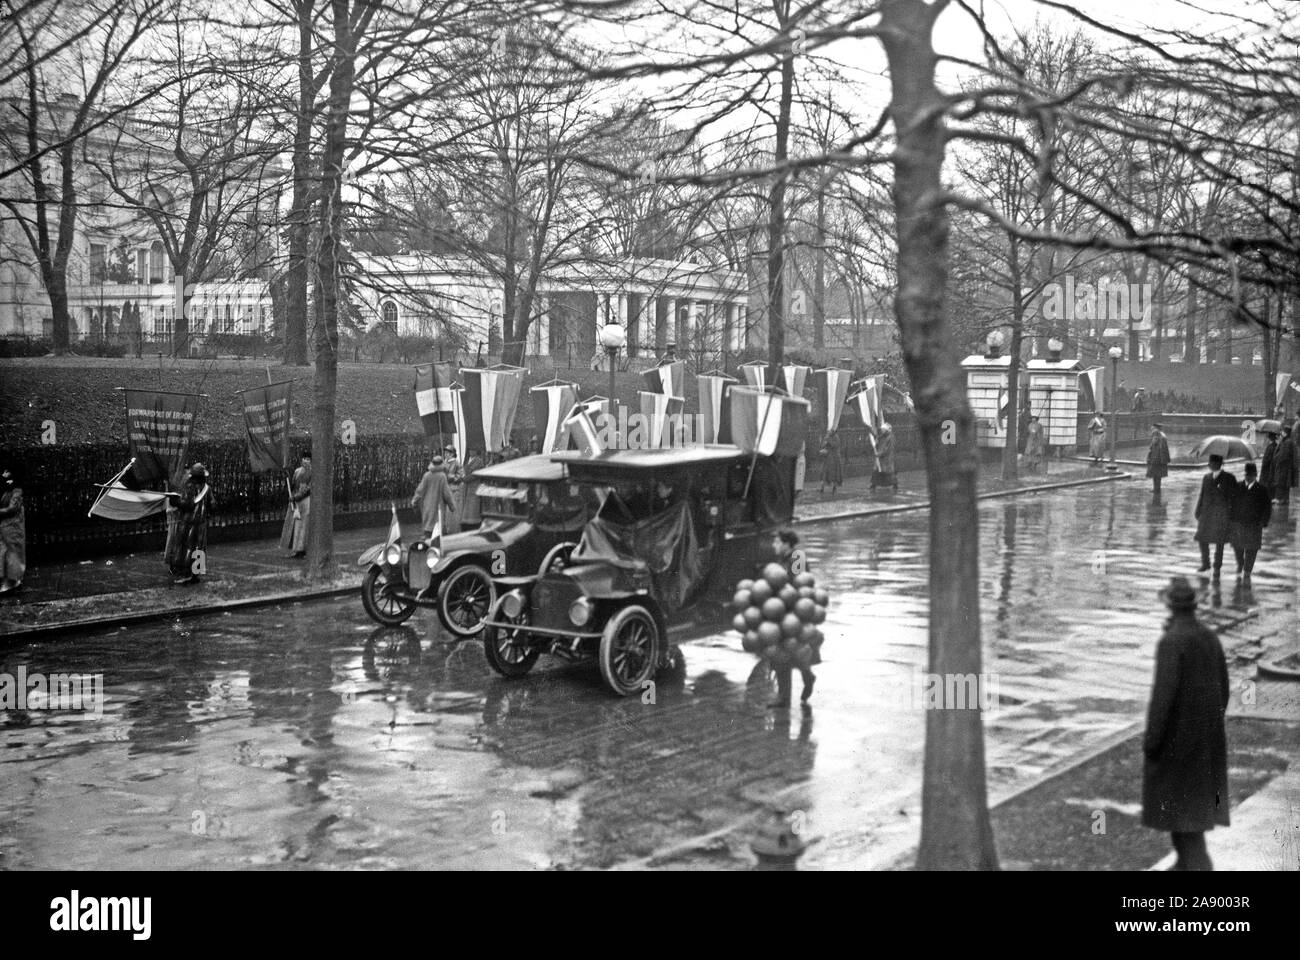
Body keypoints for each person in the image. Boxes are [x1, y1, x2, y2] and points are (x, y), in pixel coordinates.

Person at [1142, 576, 1229, 871]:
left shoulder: (1171, 642)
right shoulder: (1209, 636)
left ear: (1169, 606)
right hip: (1206, 744)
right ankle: (1184, 866)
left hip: (1178, 749)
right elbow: (1224, 690)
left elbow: (1161, 699)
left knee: (1184, 825)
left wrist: (1152, 742)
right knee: (1192, 823)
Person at [766, 529, 816, 710]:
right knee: (780, 654)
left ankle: (807, 676)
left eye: (777, 542)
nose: (774, 545)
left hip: (795, 612)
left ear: (787, 543)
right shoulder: (781, 559)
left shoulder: (797, 558)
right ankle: (784, 698)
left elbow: (797, 584)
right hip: (782, 610)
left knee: (794, 650)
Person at [169, 463, 212, 585]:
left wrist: (175, 502)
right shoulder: (207, 488)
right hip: (201, 523)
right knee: (199, 548)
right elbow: (212, 504)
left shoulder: (190, 487)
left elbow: (188, 505)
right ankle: (196, 575)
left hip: (188, 523)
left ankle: (186, 573)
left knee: (187, 547)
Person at [1193, 454, 1236, 577]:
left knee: (1219, 541)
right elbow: (1202, 495)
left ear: (1219, 464)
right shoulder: (1206, 477)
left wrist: (1230, 513)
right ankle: (1205, 563)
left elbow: (1233, 497)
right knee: (1202, 538)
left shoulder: (1229, 478)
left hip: (1220, 515)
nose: (1209, 465)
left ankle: (1217, 566)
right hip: (1206, 514)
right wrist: (1198, 510)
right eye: (1209, 462)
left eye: (1211, 463)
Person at [1230, 462, 1270, 582]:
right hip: (1239, 523)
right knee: (1238, 547)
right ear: (1245, 475)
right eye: (1247, 475)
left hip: (1254, 524)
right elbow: (1231, 504)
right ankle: (1241, 564)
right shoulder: (1237, 486)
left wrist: (1264, 521)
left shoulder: (1262, 489)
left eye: (1252, 475)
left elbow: (1267, 507)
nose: (1249, 477)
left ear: (1255, 476)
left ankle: (1247, 571)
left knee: (1252, 549)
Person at [411, 456, 457, 539]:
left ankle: (426, 544)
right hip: (438, 507)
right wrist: (452, 506)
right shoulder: (442, 476)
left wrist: (414, 501)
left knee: (428, 528)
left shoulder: (427, 475)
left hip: (427, 506)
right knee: (438, 529)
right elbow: (447, 493)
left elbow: (420, 490)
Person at [280, 449, 312, 559]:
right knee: (296, 526)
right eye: (304, 459)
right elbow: (293, 485)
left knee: (304, 526)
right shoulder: (297, 471)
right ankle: (297, 549)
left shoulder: (313, 472)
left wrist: (296, 497)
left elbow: (309, 488)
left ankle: (303, 549)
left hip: (306, 501)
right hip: (296, 502)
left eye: (308, 459)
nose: (306, 461)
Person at [0, 467, 25, 594]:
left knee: (13, 553)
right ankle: (8, 580)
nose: (4, 474)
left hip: (13, 526)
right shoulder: (6, 490)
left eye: (6, 472)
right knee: (6, 552)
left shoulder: (16, 490)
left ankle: (13, 581)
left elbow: (13, 508)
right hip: (6, 526)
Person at [460, 450, 486, 531]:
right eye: (470, 449)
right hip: (466, 489)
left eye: (473, 449)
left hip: (474, 488)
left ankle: (473, 527)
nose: (471, 451)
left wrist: (464, 478)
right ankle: (466, 526)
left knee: (473, 512)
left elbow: (475, 475)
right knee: (466, 511)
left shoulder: (479, 461)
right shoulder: (467, 460)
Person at [1146, 422, 1171, 501]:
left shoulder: (1156, 434)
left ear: (1156, 428)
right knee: (1158, 475)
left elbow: (1154, 445)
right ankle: (1157, 489)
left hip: (1156, 457)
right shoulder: (1162, 434)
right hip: (1161, 458)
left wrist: (1150, 457)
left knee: (1155, 474)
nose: (1151, 428)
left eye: (1152, 427)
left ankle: (1156, 489)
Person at [870, 422, 898, 490]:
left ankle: (894, 484)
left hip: (887, 459)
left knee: (887, 473)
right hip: (881, 458)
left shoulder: (891, 438)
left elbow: (887, 449)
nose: (882, 430)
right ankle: (874, 484)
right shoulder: (882, 436)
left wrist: (879, 454)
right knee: (877, 472)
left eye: (883, 429)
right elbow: (878, 443)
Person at [443, 444, 465, 530]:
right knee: (446, 514)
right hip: (445, 492)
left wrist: (449, 476)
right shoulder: (444, 463)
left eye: (448, 453)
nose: (446, 454)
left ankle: (455, 531)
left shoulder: (456, 463)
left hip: (454, 491)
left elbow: (461, 476)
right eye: (445, 453)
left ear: (452, 454)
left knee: (453, 513)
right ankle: (447, 530)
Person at [1274, 425, 1295, 507]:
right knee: (1285, 483)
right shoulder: (1289, 441)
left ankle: (1280, 499)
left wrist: (1276, 460)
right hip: (1286, 467)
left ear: (1285, 433)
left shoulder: (1286, 442)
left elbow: (1281, 456)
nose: (1281, 433)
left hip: (1283, 467)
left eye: (1282, 432)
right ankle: (1285, 499)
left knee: (1281, 482)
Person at [819, 428, 843, 495]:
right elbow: (823, 445)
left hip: (835, 458)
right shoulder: (827, 436)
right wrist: (824, 443)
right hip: (828, 458)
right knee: (824, 473)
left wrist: (828, 441)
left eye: (829, 431)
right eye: (828, 431)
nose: (828, 432)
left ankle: (834, 488)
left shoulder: (836, 437)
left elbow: (835, 445)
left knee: (835, 474)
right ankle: (822, 487)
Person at [1259, 430, 1279, 499]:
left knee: (1266, 484)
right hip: (1272, 469)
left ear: (1270, 438)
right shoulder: (1276, 446)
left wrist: (1264, 462)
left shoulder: (1270, 447)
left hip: (1267, 470)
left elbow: (1267, 459)